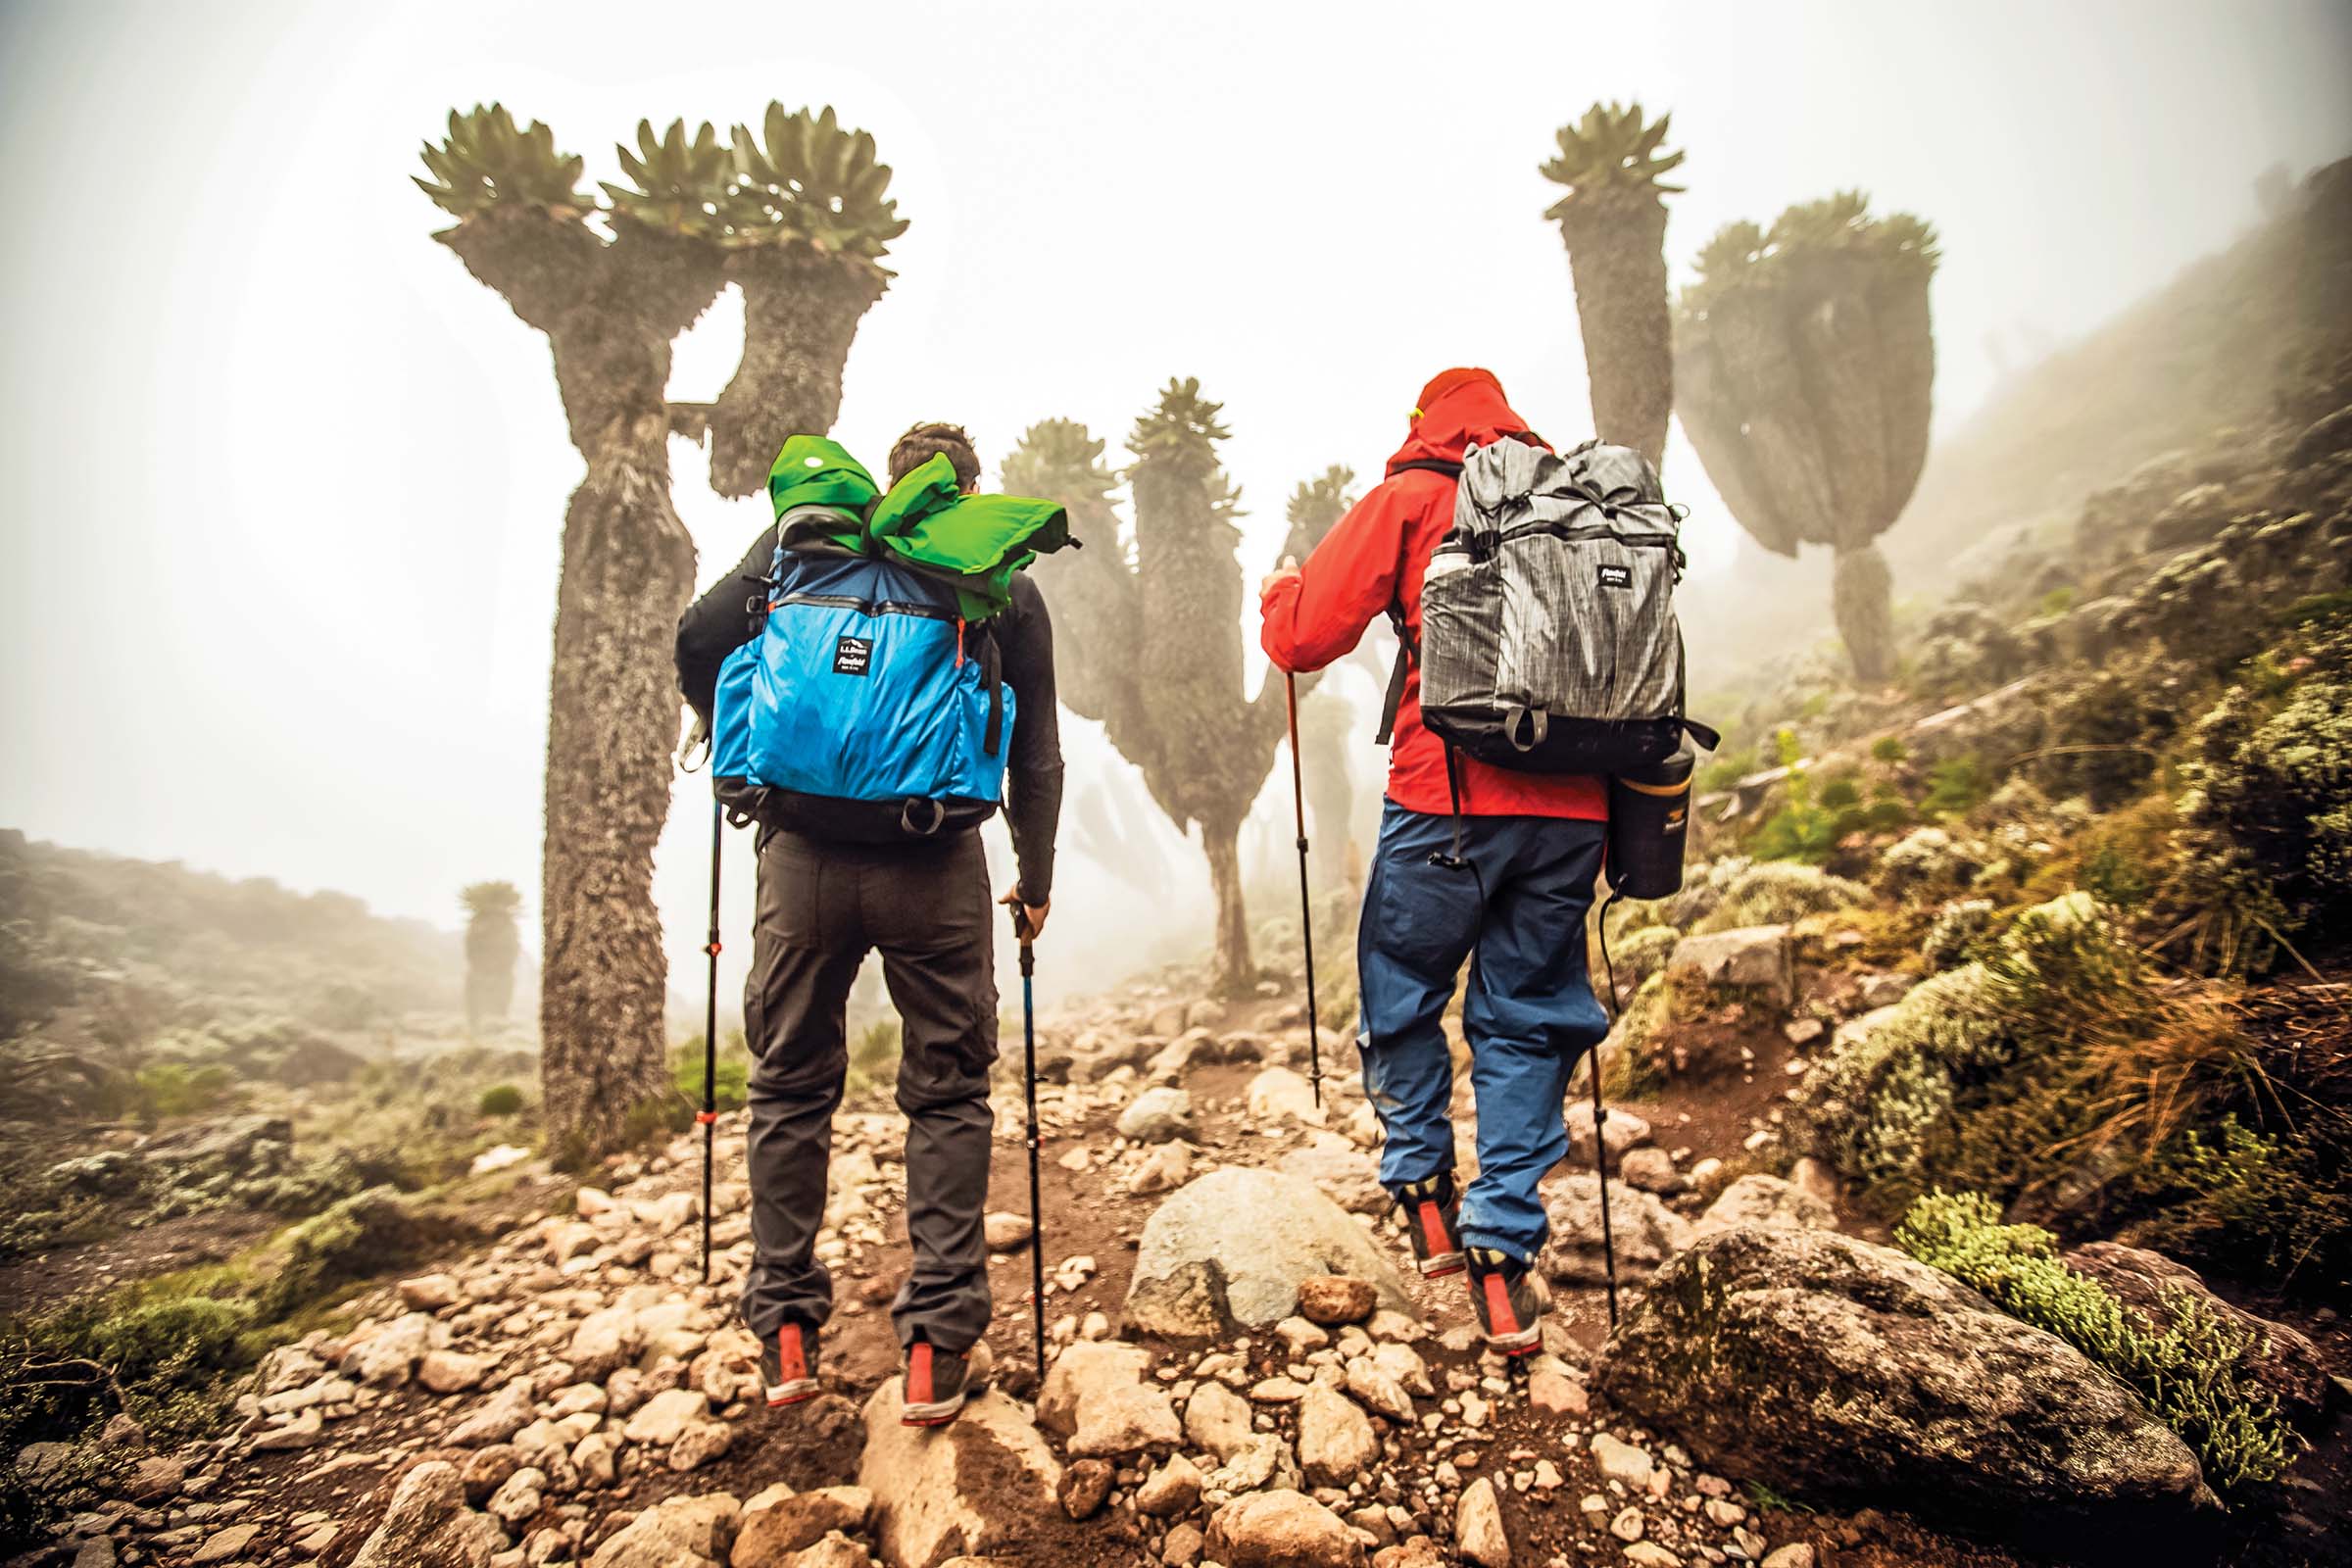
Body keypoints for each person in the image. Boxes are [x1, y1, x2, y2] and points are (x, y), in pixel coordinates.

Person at [674, 421, 1063, 1425]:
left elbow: (699, 636)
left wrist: (732, 733)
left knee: (789, 1084)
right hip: (932, 862)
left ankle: (787, 1332)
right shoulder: (996, 575)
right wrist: (1036, 876)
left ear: (881, 484)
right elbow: (1040, 754)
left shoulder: (808, 548)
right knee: (946, 1089)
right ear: (971, 492)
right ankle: (935, 1344)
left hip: (798, 857)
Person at [1257, 368, 1606, 1353]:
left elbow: (1301, 639)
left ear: (1428, 422)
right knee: (1529, 1018)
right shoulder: (1580, 505)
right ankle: (1502, 1259)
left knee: (1404, 985)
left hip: (1443, 800)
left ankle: (1423, 1196)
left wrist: (1280, 590)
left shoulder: (1411, 499)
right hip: (1574, 810)